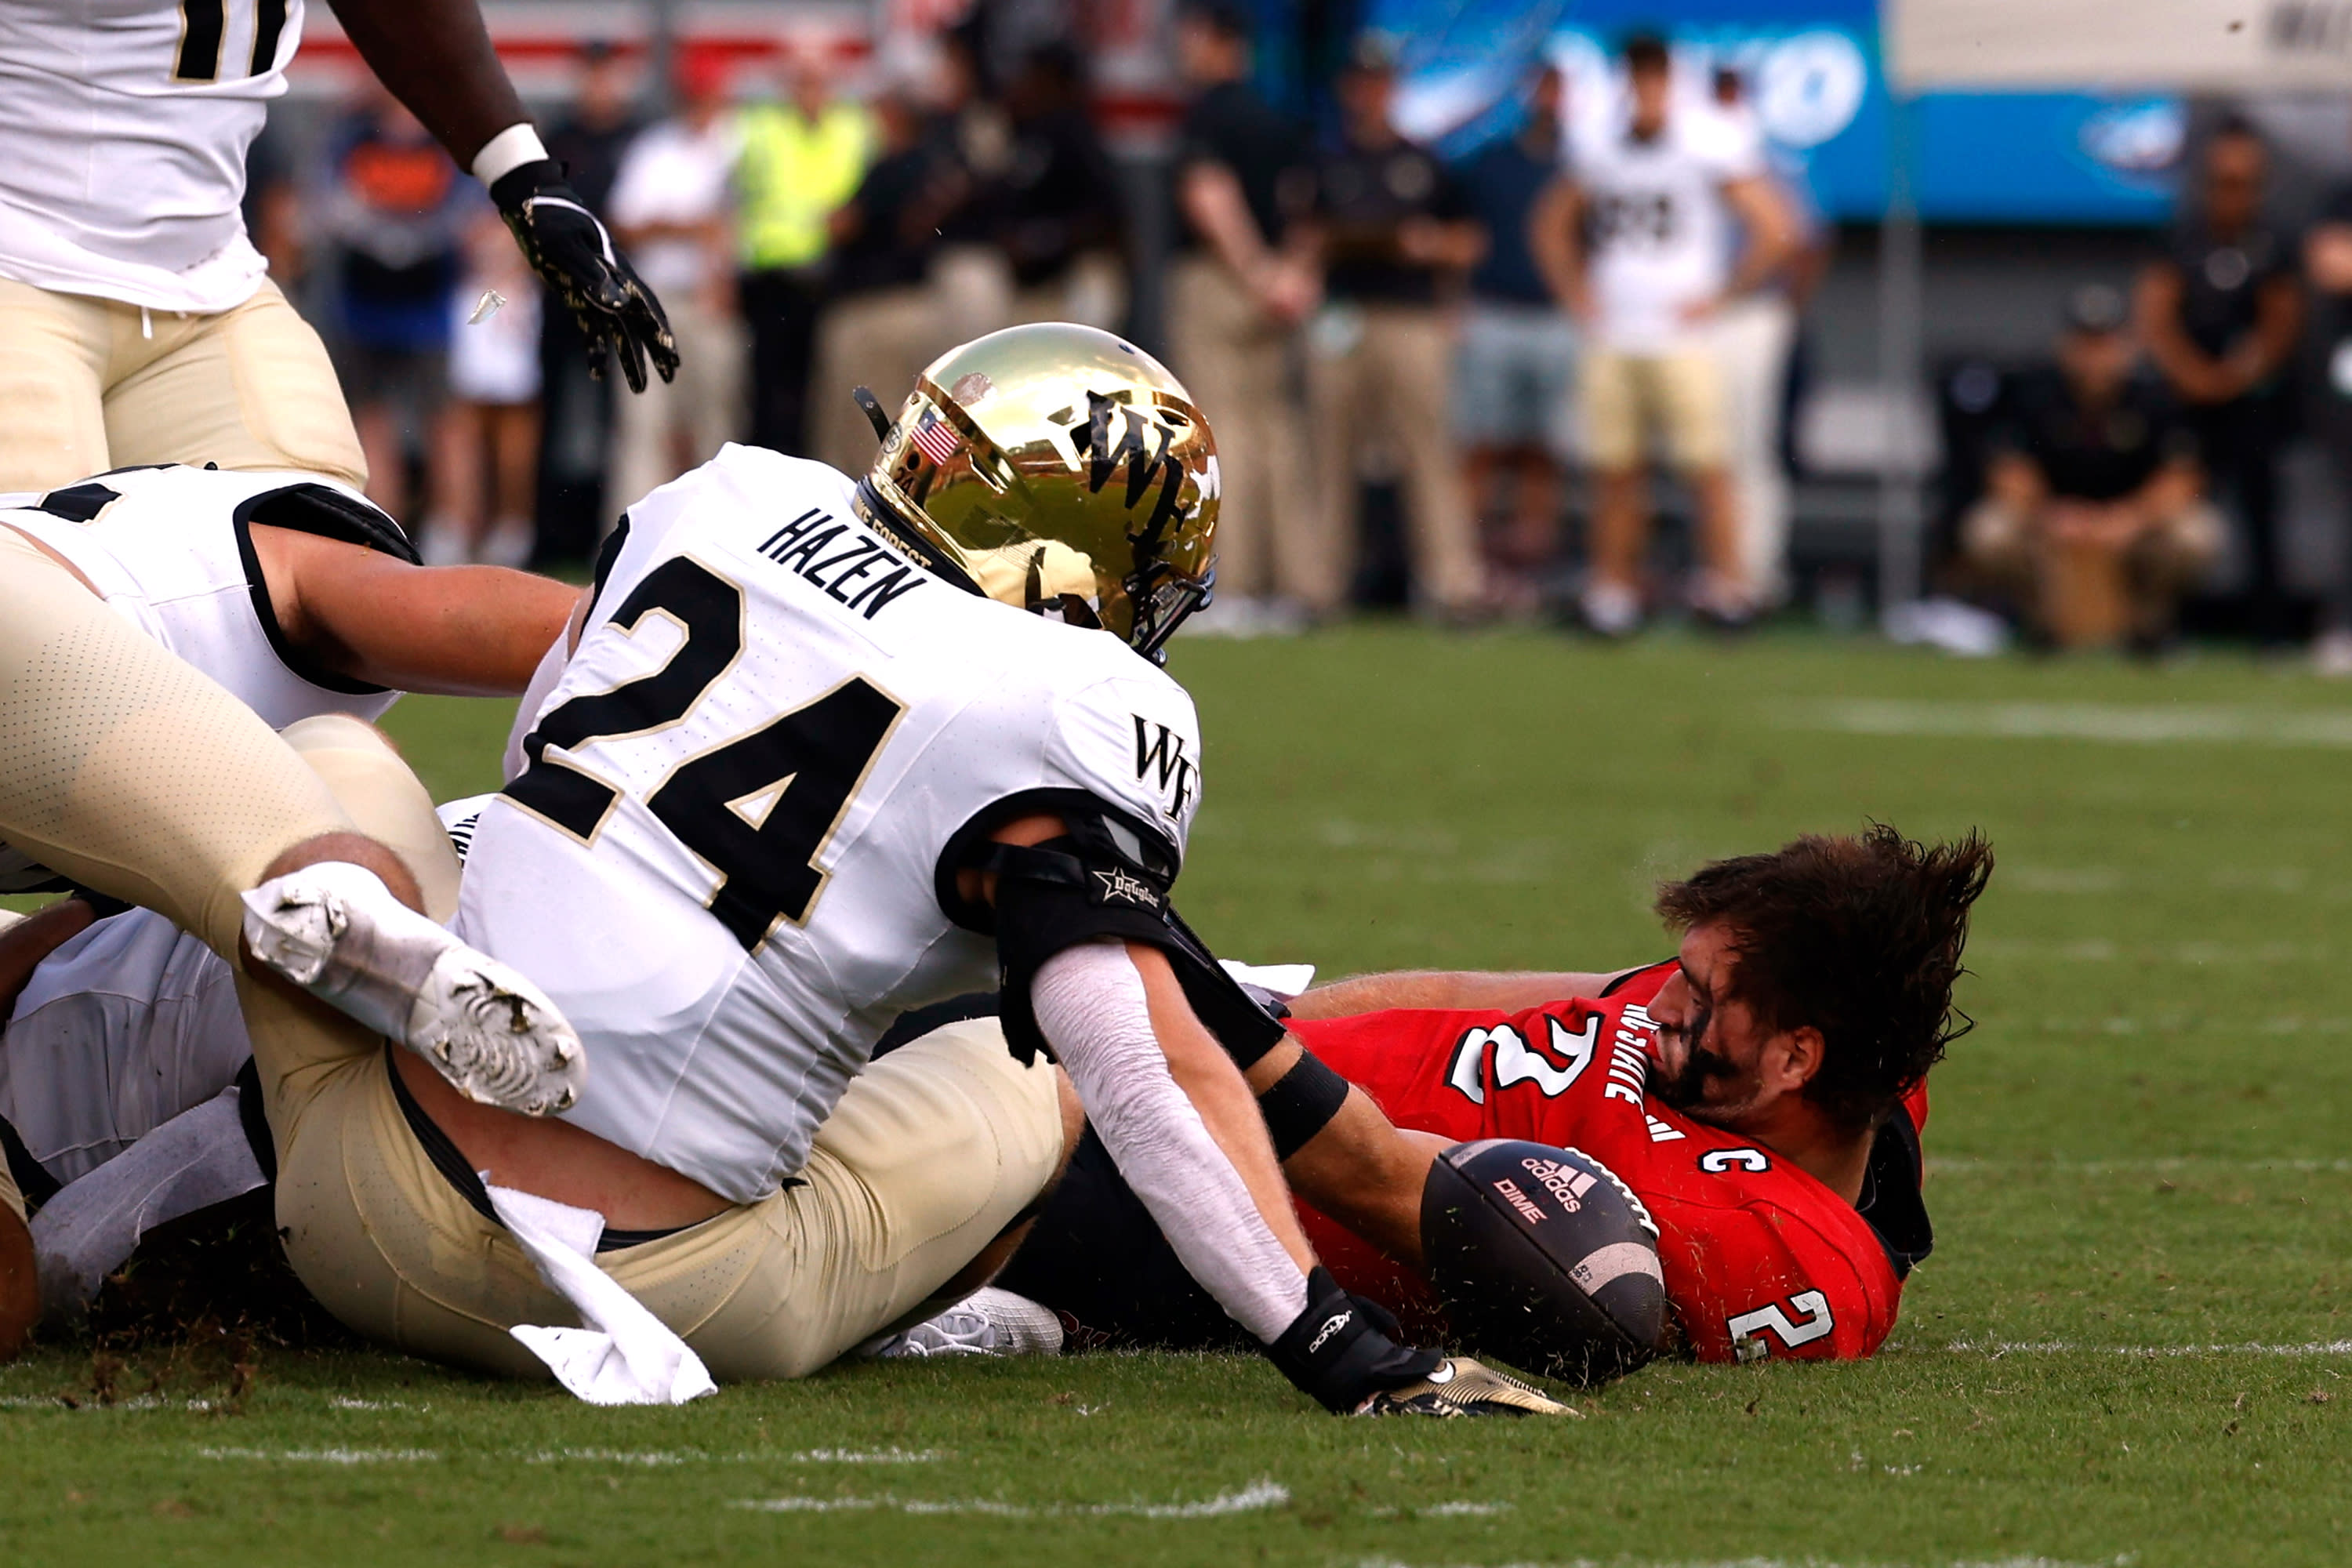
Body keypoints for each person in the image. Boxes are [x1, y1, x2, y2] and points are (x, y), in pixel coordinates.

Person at [985, 824, 1984, 1368]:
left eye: (1704, 991)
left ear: (1797, 1060)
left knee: (919, 1152)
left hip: (1210, 1191)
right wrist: (1277, 1009)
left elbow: (1376, 1178)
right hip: (1228, 1069)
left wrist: (1186, 1031)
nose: (1663, 994)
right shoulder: (1802, 1059)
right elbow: (1463, 998)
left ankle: (1010, 1300)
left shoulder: (1776, 1247)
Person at [0, 0, 673, 499]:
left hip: (212, 281)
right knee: (48, 609)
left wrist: (525, 177)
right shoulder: (349, 132)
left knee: (321, 571)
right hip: (20, 268)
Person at [1534, 33, 1795, 635]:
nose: (1645, 89)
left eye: (1655, 75)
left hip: (1680, 337)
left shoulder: (1706, 138)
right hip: (1616, 331)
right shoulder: (1600, 137)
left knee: (1708, 468)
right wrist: (1576, 292)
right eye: (1636, 74)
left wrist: (1722, 296)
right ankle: (1613, 592)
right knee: (1615, 470)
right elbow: (1551, 223)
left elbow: (1775, 225)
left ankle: (1730, 588)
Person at [1301, 36, 1489, 623]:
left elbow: (1468, 241)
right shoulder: (1327, 162)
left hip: (1409, 316)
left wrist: (1429, 248)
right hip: (1343, 315)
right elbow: (1304, 237)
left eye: (1378, 80)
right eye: (1360, 80)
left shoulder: (1422, 162)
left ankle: (1452, 584)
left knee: (1427, 449)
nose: (1370, 92)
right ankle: (1321, 587)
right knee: (1329, 450)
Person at [1164, 0, 1320, 636]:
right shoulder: (1278, 115)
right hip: (1279, 281)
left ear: (1212, 39)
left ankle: (1233, 589)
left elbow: (1210, 196)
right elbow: (1309, 205)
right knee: (1276, 435)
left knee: (1222, 438)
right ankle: (1296, 584)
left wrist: (1254, 271)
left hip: (1222, 280)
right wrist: (1293, 276)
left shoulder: (1207, 114)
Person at [1962, 285, 2223, 652]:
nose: (2094, 356)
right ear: (2066, 345)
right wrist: (2051, 514)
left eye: (2104, 343)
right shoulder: (2034, 391)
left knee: (2196, 534)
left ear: (2127, 345)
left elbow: (2182, 478)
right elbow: (2008, 472)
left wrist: (2127, 519)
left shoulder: (2155, 394)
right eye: (2085, 343)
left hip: (2133, 528)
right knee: (1990, 530)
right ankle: (2042, 625)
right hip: (2053, 525)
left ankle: (2148, 628)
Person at [2135, 118, 2303, 647]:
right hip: (2187, 399)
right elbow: (2155, 315)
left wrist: (2237, 374)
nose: (2235, 194)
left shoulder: (2272, 240)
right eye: (2224, 181)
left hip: (2250, 398)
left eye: (2246, 182)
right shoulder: (2183, 236)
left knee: (2261, 511)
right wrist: (2193, 375)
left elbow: (2281, 320)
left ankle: (2270, 632)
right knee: (2176, 512)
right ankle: (2163, 625)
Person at [1708, 66, 1831, 611]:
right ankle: (1717, 566)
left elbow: (1801, 243)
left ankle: (1754, 572)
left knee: (1749, 447)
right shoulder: (1689, 158)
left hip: (1749, 315)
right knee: (1704, 451)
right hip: (1692, 318)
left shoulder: (1773, 166)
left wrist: (1754, 299)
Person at [1454, 66, 1576, 616]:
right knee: (1483, 447)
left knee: (1541, 453)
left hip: (1555, 319)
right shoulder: (1495, 162)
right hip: (1495, 312)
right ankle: (1471, 569)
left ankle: (1529, 574)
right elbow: (1465, 233)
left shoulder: (1581, 163)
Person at [605, 48, 747, 514]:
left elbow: (736, 226)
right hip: (655, 297)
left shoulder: (741, 142)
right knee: (643, 427)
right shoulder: (656, 147)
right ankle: (629, 538)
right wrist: (694, 228)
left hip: (715, 298)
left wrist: (672, 226)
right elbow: (624, 224)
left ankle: (716, 535)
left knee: (717, 426)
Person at [535, 42, 648, 568]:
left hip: (623, 301)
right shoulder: (560, 139)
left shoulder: (641, 138)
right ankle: (553, 534)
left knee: (620, 423)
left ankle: (611, 535)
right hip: (564, 301)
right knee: (556, 415)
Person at [808, 89, 957, 476]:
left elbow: (842, 225)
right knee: (905, 416)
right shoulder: (932, 163)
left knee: (864, 426)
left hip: (875, 311)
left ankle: (872, 511)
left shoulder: (892, 167)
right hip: (919, 303)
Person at [735, 53, 874, 456]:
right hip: (772, 276)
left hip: (831, 279)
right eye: (802, 81)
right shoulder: (763, 129)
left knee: (819, 396)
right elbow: (738, 201)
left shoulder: (854, 128)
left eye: (818, 81)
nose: (810, 92)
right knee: (767, 396)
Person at [435, 209, 544, 568]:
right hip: (475, 306)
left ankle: (511, 530)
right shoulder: (462, 192)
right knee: (462, 425)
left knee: (512, 429)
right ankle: (459, 528)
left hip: (509, 309)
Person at [998, 45, 1127, 330]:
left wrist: (1047, 239)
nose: (1025, 84)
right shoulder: (1024, 130)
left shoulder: (1079, 135)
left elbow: (1107, 217)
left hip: (1079, 270)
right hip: (1034, 280)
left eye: (1034, 77)